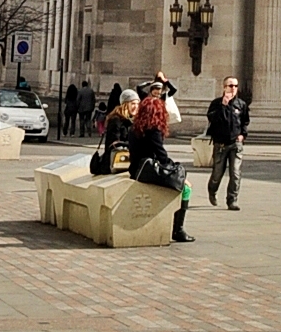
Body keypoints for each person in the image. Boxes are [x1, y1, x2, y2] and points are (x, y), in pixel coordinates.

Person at [127, 94, 193, 242]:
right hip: (148, 172)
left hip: (136, 171)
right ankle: (178, 229)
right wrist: (180, 176)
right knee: (185, 188)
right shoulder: (153, 130)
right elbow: (161, 155)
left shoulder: (134, 128)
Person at [206, 76, 249, 211]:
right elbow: (212, 119)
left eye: (236, 86)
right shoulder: (216, 103)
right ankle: (212, 191)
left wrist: (243, 135)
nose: (233, 89)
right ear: (224, 87)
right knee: (217, 174)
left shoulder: (241, 104)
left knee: (235, 173)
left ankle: (232, 200)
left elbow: (245, 121)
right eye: (230, 86)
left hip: (235, 143)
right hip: (220, 144)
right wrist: (223, 106)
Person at [90, 89, 138, 176]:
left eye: (138, 104)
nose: (136, 106)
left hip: (125, 162)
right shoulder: (116, 120)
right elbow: (114, 144)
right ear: (125, 104)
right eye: (133, 103)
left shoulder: (131, 121)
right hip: (114, 163)